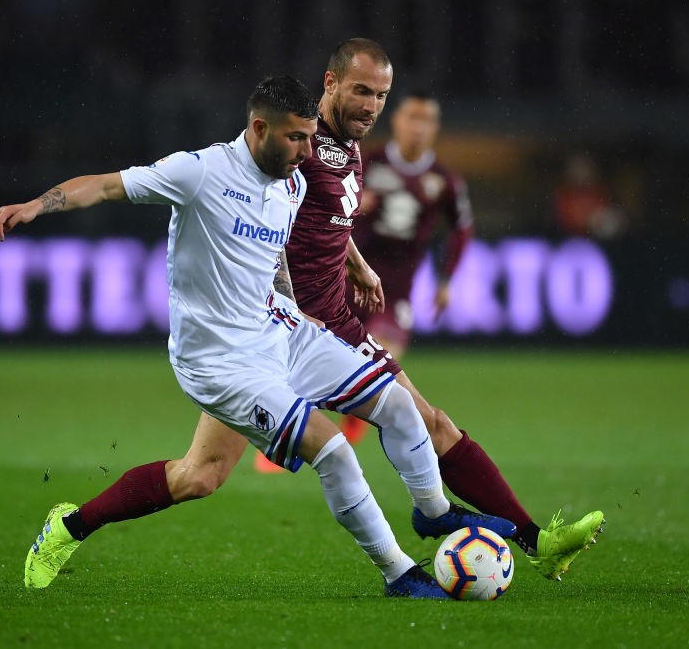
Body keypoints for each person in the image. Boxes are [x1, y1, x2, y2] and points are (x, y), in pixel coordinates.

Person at [0, 75, 504, 598]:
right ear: (259, 128)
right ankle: (400, 575)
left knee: (382, 404)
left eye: (310, 137)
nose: (307, 150)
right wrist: (35, 206)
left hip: (281, 331)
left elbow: (273, 254)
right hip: (220, 361)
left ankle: (434, 513)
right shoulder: (199, 171)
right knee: (335, 451)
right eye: (297, 137)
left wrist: (300, 303)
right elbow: (106, 185)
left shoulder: (292, 181)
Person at [192, 39, 603, 582]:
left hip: (333, 326)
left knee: (430, 420)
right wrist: (281, 303)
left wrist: (355, 263)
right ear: (330, 83)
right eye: (361, 91)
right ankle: (72, 525)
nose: (371, 106)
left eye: (381, 96)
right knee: (199, 475)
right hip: (272, 334)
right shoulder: (300, 143)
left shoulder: (351, 145)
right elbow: (249, 215)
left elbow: (328, 216)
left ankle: (535, 542)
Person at [334, 90, 474, 444]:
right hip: (347, 277)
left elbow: (462, 229)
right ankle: (289, 431)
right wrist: (352, 203)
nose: (418, 128)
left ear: (435, 128)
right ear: (396, 121)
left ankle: (353, 422)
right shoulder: (367, 162)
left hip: (396, 288)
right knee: (323, 359)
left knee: (384, 356)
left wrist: (446, 279)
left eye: (426, 120)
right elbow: (325, 200)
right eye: (412, 118)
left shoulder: (444, 181)